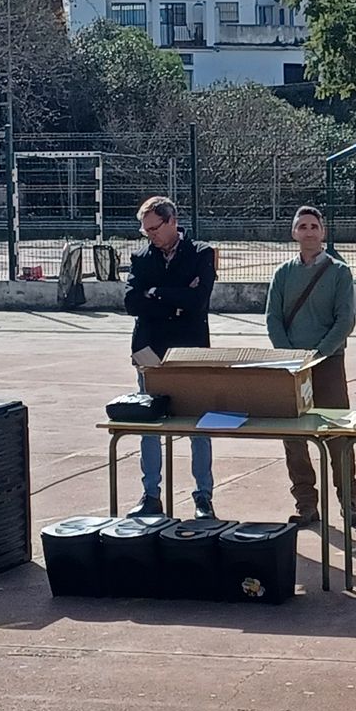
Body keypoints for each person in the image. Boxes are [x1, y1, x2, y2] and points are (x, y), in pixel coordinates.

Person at [265, 205, 356, 526]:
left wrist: (319, 354)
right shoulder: (283, 274)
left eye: (314, 226)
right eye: (302, 226)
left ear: (323, 232)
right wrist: (292, 357)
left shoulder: (339, 272)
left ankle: (349, 501)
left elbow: (344, 320)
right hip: (293, 367)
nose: (308, 231)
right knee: (295, 439)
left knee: (337, 435)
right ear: (294, 233)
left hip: (329, 364)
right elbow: (273, 319)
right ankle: (306, 504)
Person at [122, 196, 217, 518]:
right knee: (150, 424)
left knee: (196, 424)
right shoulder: (141, 257)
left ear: (172, 220)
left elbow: (197, 300)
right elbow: (132, 302)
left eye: (155, 228)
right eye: (145, 230)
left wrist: (156, 292)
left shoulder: (201, 253)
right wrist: (172, 295)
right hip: (150, 351)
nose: (151, 235)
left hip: (189, 350)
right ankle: (151, 495)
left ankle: (203, 496)